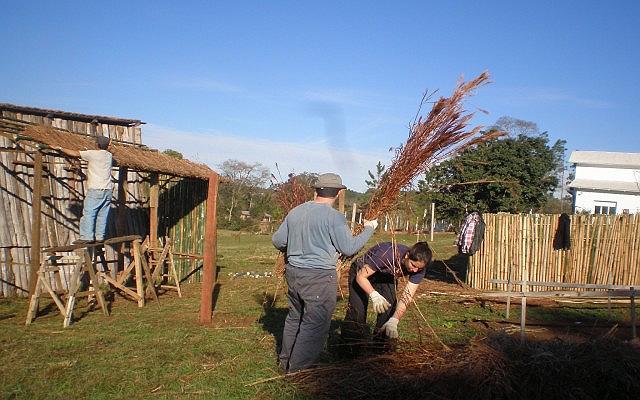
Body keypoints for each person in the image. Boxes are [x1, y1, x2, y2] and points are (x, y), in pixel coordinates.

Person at [272, 172, 378, 373]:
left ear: (316, 190)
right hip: (318, 276)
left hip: (293, 273)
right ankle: (299, 371)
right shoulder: (335, 217)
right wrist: (368, 229)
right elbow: (348, 248)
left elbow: (278, 241)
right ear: (338, 193)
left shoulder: (295, 212)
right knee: (315, 323)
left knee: (295, 317)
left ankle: (285, 362)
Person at [342, 241, 432, 350]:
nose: (415, 270)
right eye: (413, 265)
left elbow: (407, 296)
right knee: (358, 310)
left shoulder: (419, 268)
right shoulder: (387, 254)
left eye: (419, 268)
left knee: (389, 308)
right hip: (362, 271)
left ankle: (380, 347)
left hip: (386, 275)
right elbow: (361, 277)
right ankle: (349, 349)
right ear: (407, 255)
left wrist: (395, 320)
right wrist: (374, 294)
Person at [55, 136, 114, 244]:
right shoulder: (109, 156)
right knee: (102, 214)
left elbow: (75, 153)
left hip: (96, 189)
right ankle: (100, 236)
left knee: (89, 212)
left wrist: (59, 148)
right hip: (108, 190)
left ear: (97, 145)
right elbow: (108, 149)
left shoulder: (92, 154)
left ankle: (87, 236)